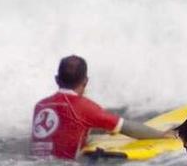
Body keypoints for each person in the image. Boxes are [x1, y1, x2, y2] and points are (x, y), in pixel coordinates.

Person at [30, 55, 170, 159]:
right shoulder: (84, 106)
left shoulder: (40, 106)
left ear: (56, 79)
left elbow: (63, 127)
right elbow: (128, 128)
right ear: (85, 81)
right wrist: (163, 135)